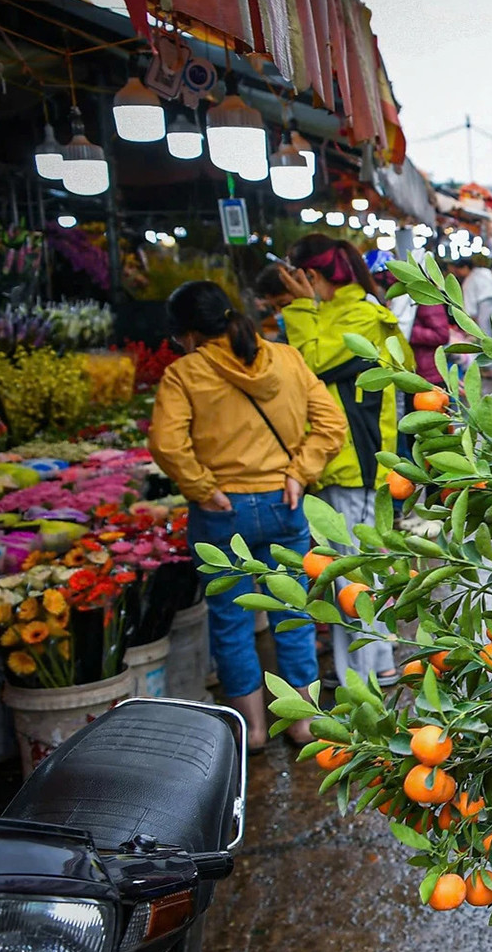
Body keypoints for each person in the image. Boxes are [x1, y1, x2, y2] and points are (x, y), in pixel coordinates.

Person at [148, 282, 344, 751]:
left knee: (231, 622)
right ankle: (302, 722)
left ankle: (252, 730)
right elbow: (331, 425)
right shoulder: (287, 359)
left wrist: (203, 487)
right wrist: (300, 473)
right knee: (293, 612)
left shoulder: (184, 374)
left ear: (189, 334)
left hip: (221, 512)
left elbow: (166, 443)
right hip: (284, 502)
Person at [278, 235, 403, 691]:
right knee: (364, 565)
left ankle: (359, 682)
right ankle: (381, 662)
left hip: (355, 465)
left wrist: (300, 307)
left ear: (309, 276)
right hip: (350, 464)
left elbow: (306, 364)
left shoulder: (357, 316)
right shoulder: (358, 310)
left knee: (350, 574)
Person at [449, 255, 492, 374]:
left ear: (465, 268)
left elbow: (470, 307)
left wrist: (471, 324)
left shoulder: (469, 280)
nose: (458, 273)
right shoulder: (485, 271)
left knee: (486, 339)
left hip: (484, 307)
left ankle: (491, 369)